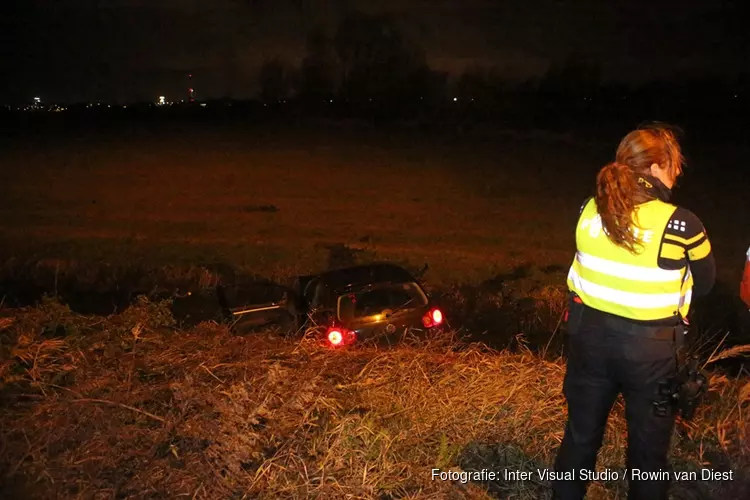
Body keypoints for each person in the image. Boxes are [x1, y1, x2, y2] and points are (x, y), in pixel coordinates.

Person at [551, 124, 716, 500]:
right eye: (674, 165)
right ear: (656, 167)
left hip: (588, 343)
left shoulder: (588, 208)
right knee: (648, 457)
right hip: (650, 353)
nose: (677, 174)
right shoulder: (681, 223)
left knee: (578, 440)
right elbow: (705, 285)